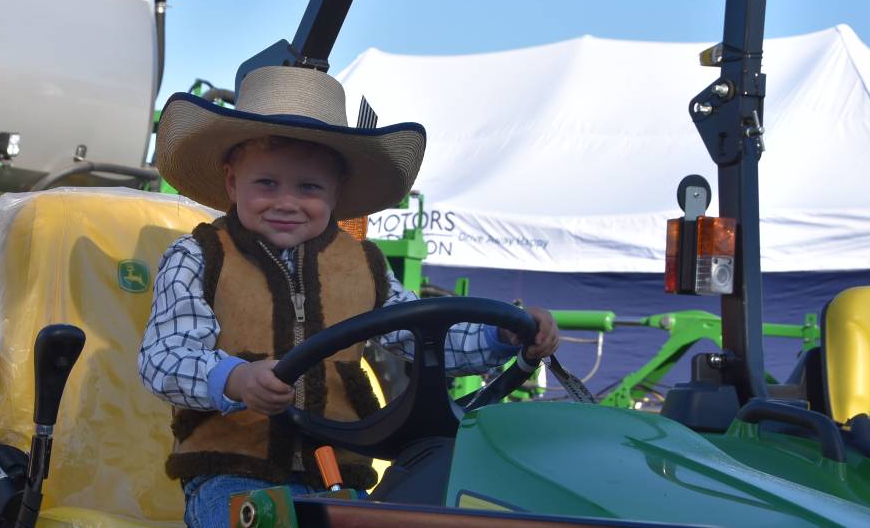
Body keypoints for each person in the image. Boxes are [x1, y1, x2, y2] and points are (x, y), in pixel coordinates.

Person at [138, 65, 559, 528]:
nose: (286, 201)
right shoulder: (197, 255)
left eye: (309, 187)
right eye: (266, 183)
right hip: (233, 473)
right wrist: (232, 378)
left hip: (340, 469)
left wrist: (501, 336)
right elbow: (164, 357)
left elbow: (426, 335)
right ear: (232, 182)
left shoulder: (364, 265)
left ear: (336, 193)